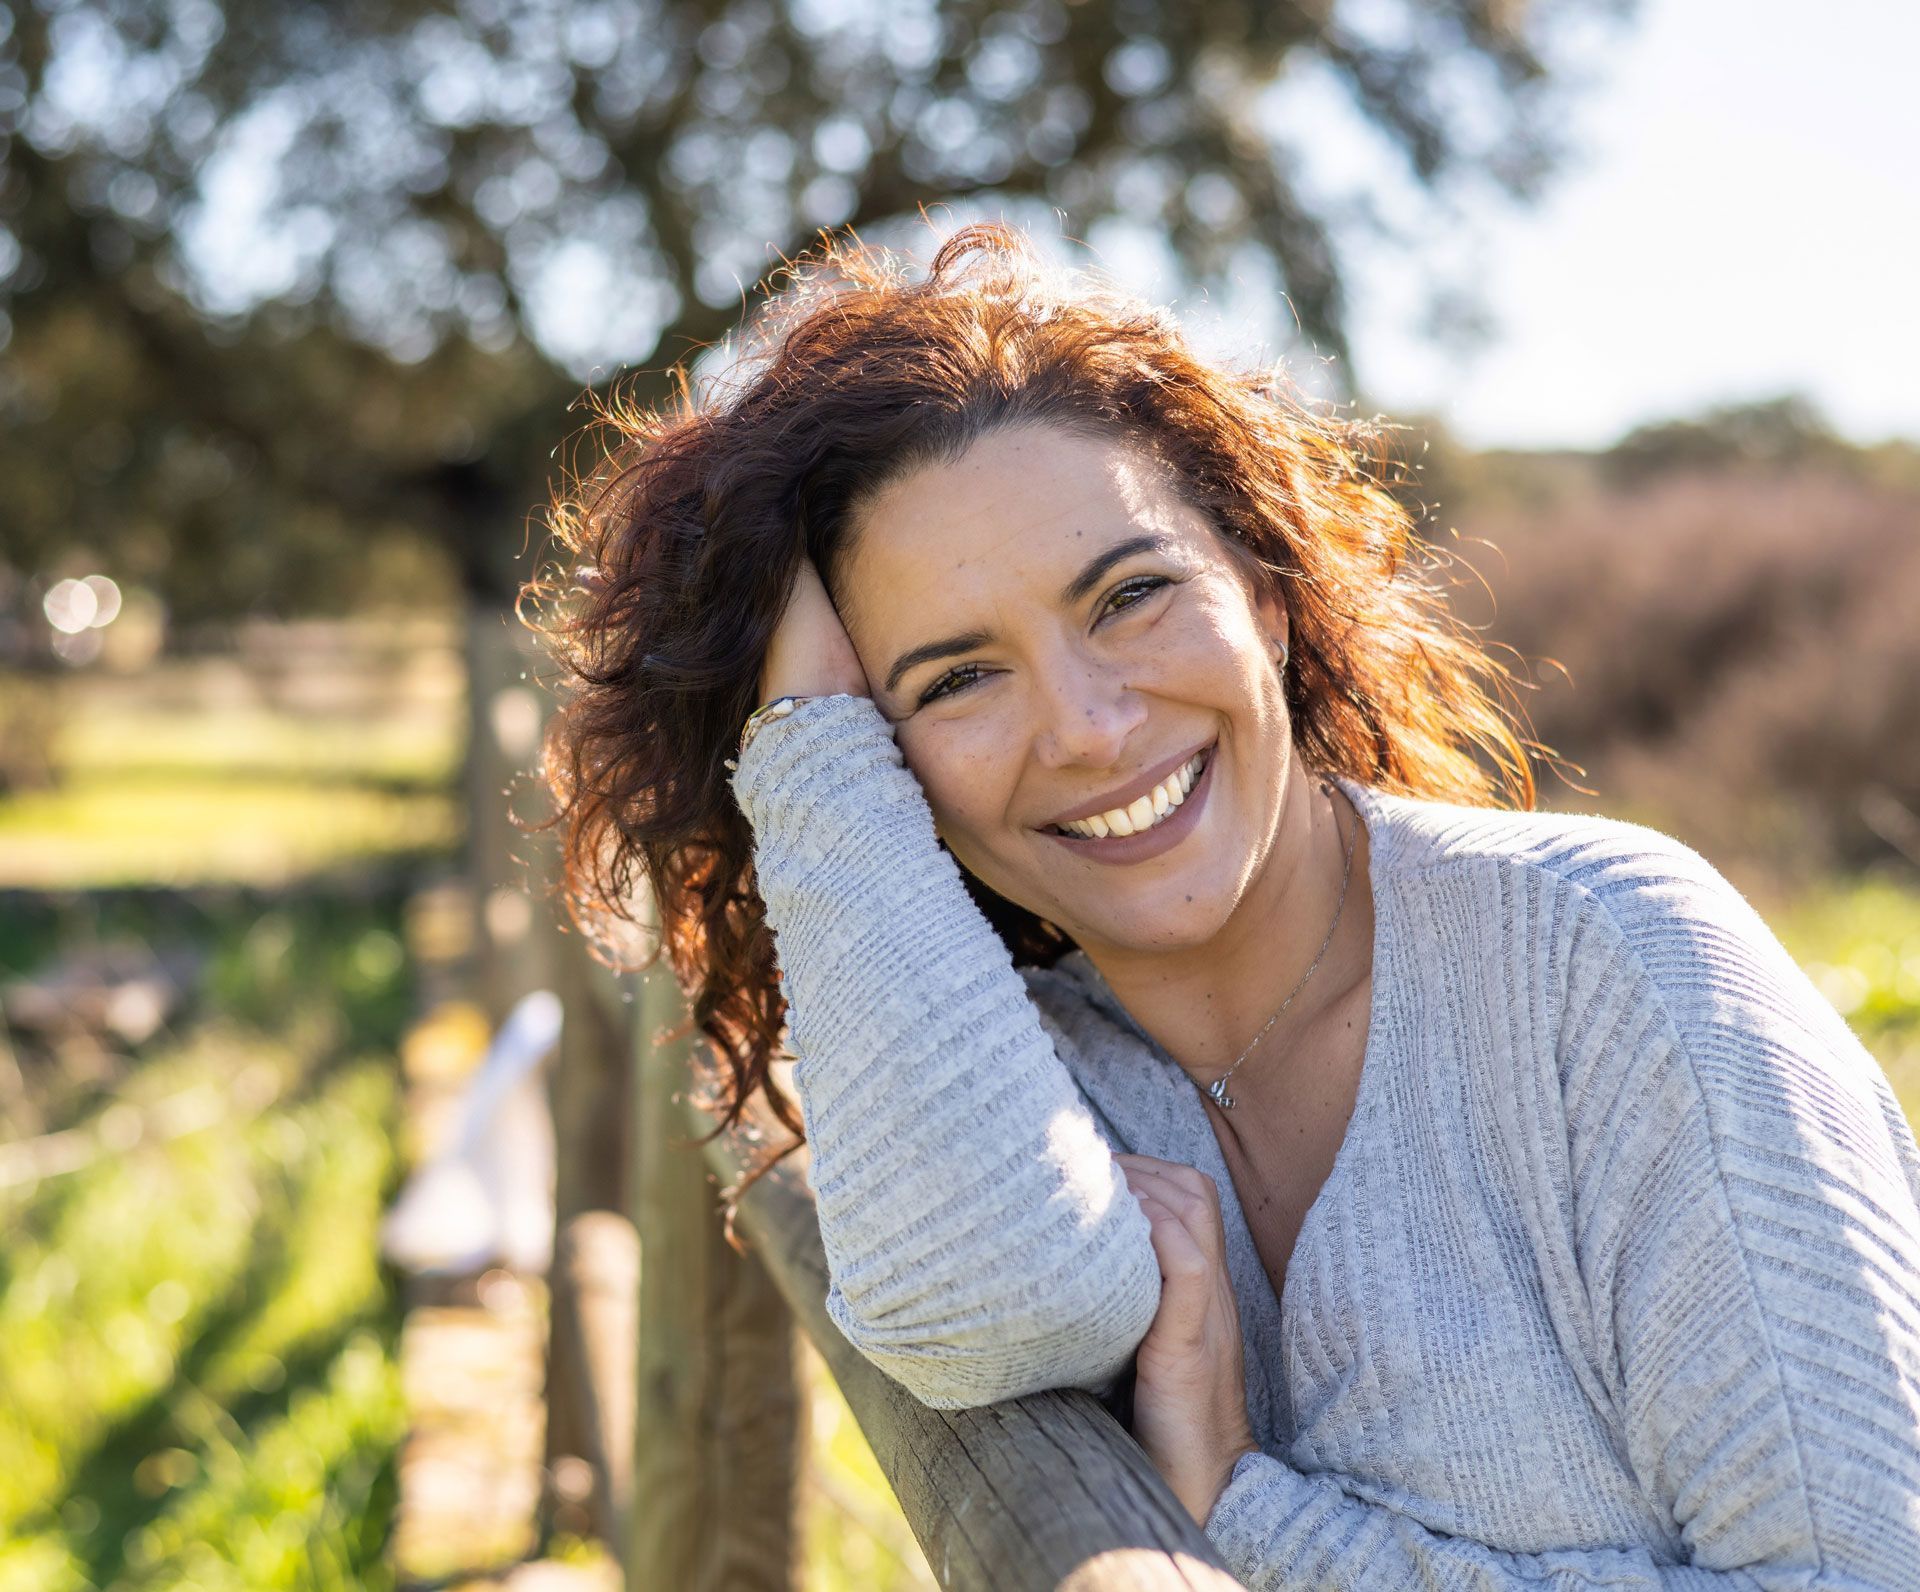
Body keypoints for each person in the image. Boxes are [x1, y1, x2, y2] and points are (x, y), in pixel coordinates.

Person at [526, 222, 1920, 1587]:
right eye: (953, 679)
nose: (1085, 727)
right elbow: (989, 1315)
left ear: (1264, 594)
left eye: (1130, 595)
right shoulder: (1023, 1088)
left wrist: (1257, 1524)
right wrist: (814, 751)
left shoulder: (1606, 964)